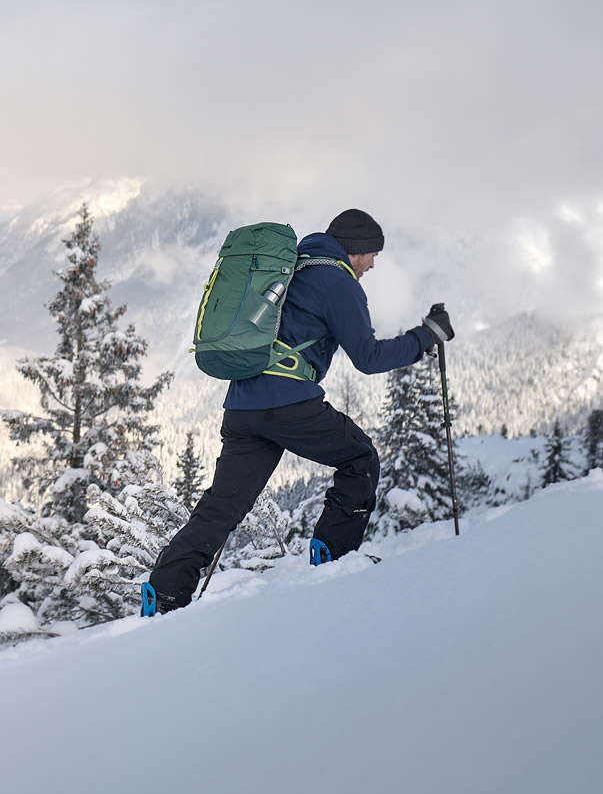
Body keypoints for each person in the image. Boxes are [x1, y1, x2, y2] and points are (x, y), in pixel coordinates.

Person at [143, 209, 454, 614]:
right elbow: (369, 356)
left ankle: (165, 591)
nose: (374, 263)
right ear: (355, 249)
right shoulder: (337, 282)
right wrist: (425, 337)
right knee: (360, 458)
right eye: (372, 254)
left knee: (224, 505)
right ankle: (334, 560)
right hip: (288, 405)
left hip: (243, 407)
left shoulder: (294, 267)